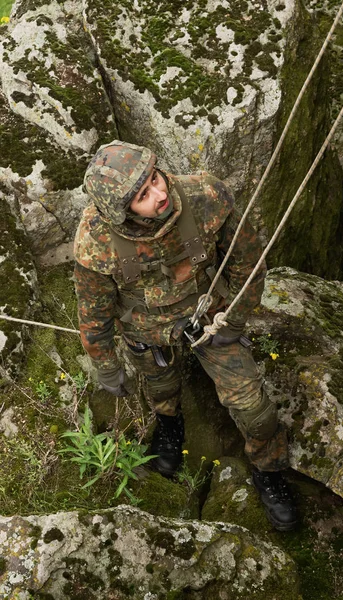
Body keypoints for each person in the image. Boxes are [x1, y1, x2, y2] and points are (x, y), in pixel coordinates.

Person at [74, 140, 297, 531]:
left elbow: (249, 263)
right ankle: (170, 425)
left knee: (257, 413)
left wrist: (234, 321)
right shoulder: (97, 243)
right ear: (122, 210)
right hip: (148, 330)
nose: (160, 194)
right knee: (160, 390)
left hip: (210, 315)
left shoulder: (204, 196)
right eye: (143, 195)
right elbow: (94, 313)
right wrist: (106, 365)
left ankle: (269, 471)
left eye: (155, 179)